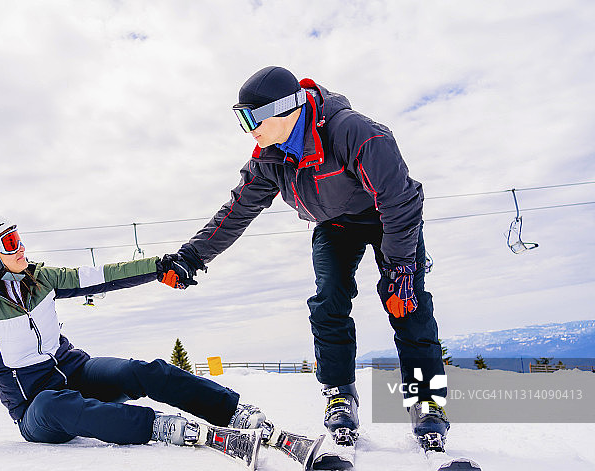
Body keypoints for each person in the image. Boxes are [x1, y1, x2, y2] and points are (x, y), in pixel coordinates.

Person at [163, 66, 450, 447]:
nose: (249, 128)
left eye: (252, 117)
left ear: (284, 110)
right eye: (241, 118)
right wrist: (191, 257)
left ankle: (426, 401)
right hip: (336, 226)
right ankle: (339, 395)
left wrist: (400, 270)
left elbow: (399, 202)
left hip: (391, 220)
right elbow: (236, 211)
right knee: (329, 300)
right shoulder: (270, 158)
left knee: (406, 304)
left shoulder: (355, 132)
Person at [0, 215, 267, 448]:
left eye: (18, 238)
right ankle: (158, 427)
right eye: (9, 243)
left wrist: (158, 267)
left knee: (140, 371)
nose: (21, 247)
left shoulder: (40, 278)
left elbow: (99, 276)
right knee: (57, 402)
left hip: (75, 369)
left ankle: (232, 411)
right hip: (36, 408)